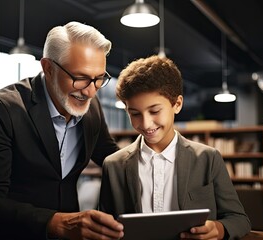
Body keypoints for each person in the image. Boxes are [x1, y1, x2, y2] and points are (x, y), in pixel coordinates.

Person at [0, 21, 124, 240]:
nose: (90, 91)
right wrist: (58, 223)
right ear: (48, 68)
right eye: (80, 78)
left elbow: (112, 156)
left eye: (99, 79)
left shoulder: (92, 108)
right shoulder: (0, 109)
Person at [99, 55, 251, 239]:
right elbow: (104, 228)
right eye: (135, 113)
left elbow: (239, 219)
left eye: (154, 111)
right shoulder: (113, 165)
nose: (146, 124)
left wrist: (217, 229)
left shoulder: (208, 159)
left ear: (177, 104)